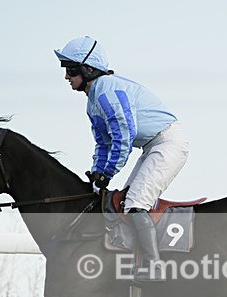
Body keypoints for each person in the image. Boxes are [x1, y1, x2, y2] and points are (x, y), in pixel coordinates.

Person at [55, 35, 189, 281]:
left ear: (88, 69)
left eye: (70, 70)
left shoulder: (108, 90)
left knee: (135, 202)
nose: (66, 76)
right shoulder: (93, 101)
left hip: (168, 142)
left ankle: (154, 267)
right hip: (152, 146)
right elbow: (103, 143)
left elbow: (122, 137)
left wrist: (108, 172)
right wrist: (97, 172)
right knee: (124, 202)